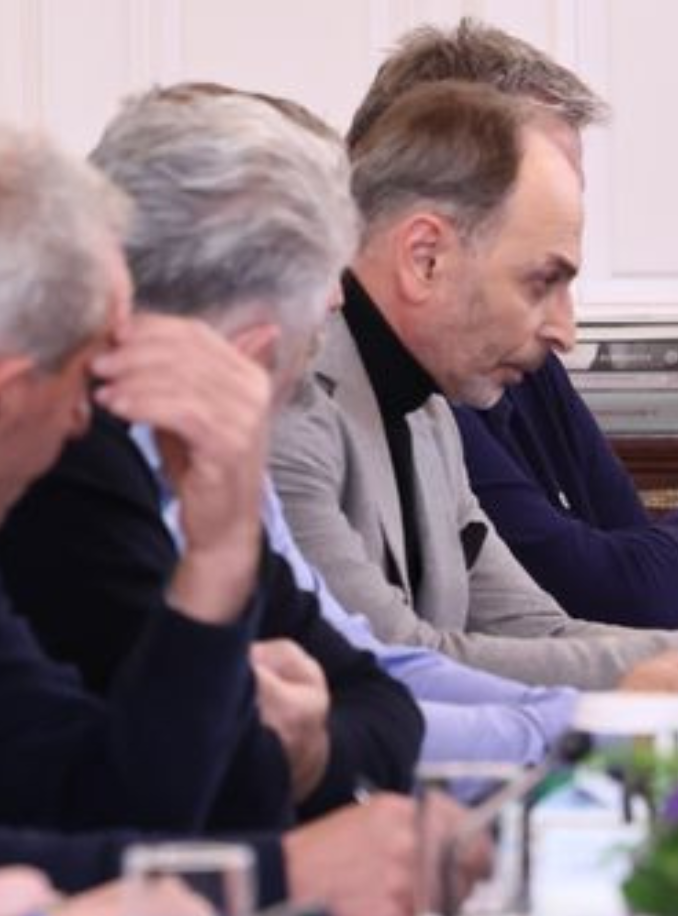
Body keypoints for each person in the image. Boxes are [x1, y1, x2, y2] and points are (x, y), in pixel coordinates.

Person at [0, 123, 452, 916]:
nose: (85, 416)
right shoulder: (74, 486)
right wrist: (290, 876)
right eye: (85, 370)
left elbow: (97, 796)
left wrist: (217, 562)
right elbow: (120, 821)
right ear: (12, 391)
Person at [53, 84, 577, 766]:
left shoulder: (236, 448)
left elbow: (361, 672)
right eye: (328, 270)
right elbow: (210, 765)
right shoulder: (76, 476)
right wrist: (564, 729)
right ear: (252, 334)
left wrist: (564, 721)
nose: (337, 298)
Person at [271, 79, 678, 689]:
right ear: (425, 258)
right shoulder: (287, 403)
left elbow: (534, 628)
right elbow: (395, 661)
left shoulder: (430, 408)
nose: (565, 331)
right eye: (542, 283)